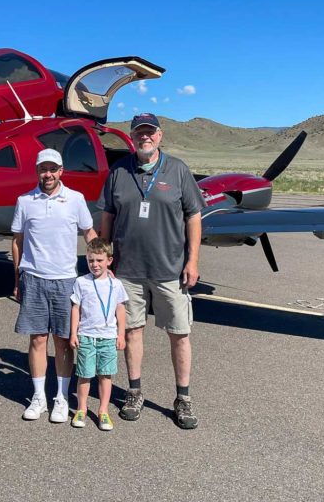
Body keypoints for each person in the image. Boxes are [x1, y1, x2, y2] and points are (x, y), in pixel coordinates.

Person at [98, 112, 205, 429]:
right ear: (132, 137)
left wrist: (193, 261)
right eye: (139, 133)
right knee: (132, 331)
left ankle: (183, 398)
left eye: (150, 132)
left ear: (160, 136)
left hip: (170, 269)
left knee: (180, 334)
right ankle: (134, 392)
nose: (145, 137)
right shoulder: (119, 171)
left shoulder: (178, 170)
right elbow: (107, 216)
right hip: (127, 270)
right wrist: (105, 258)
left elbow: (194, 216)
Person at [12, 147, 97, 423]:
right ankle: (39, 397)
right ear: (37, 171)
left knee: (63, 341)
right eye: (42, 169)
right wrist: (17, 279)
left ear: (61, 171)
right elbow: (18, 241)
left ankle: (61, 397)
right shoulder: (25, 201)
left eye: (52, 169)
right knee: (37, 339)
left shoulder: (76, 199)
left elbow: (89, 232)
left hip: (65, 280)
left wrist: (102, 265)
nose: (47, 174)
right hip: (34, 278)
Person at [69, 238, 128, 431]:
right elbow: (76, 308)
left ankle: (103, 411)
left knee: (105, 375)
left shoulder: (116, 285)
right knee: (84, 375)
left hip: (108, 337)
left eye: (99, 260)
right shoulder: (81, 282)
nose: (95, 264)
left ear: (109, 260)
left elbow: (120, 309)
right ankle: (81, 409)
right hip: (86, 336)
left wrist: (121, 334)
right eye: (91, 260)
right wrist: (73, 333)